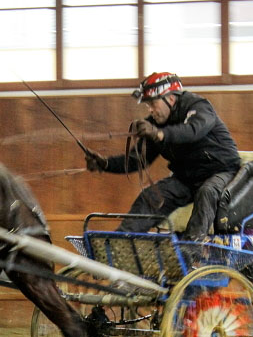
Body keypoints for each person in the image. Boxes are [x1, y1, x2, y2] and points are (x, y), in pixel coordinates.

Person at [85, 72, 241, 238]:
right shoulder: (154, 125)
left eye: (153, 103)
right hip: (187, 180)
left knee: (207, 192)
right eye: (147, 106)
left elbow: (193, 131)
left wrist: (159, 134)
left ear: (171, 99)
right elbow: (137, 161)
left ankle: (192, 248)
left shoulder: (198, 106)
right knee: (150, 196)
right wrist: (106, 164)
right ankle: (119, 244)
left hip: (223, 172)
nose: (150, 110)